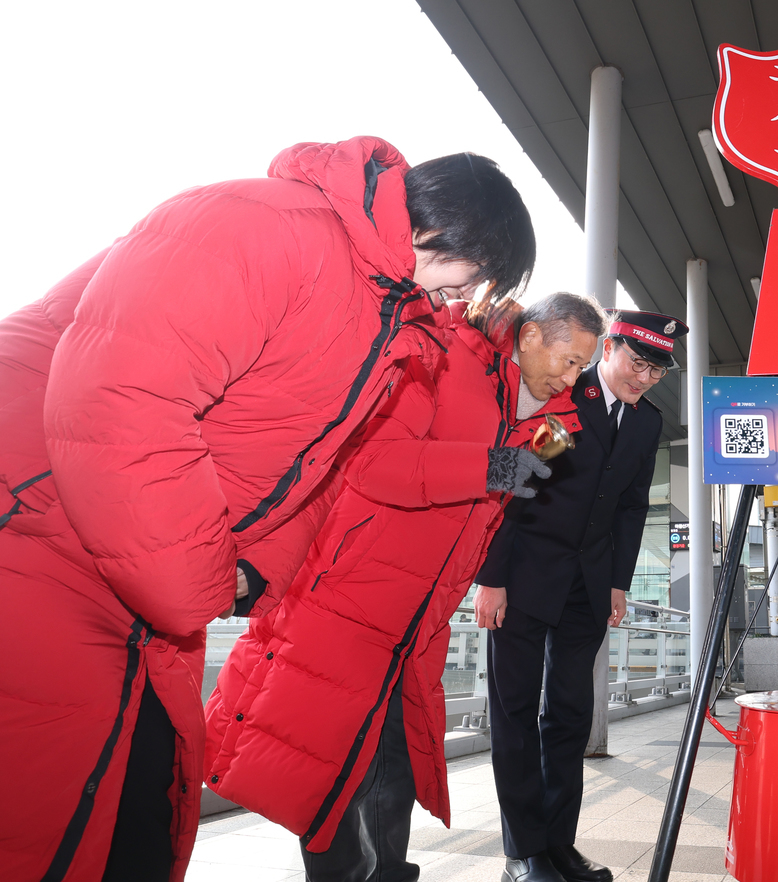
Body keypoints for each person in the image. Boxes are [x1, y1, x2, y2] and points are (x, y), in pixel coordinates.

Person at [0, 137, 535, 881]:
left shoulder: (392, 322)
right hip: (39, 532)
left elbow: (317, 469)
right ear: (443, 234)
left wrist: (252, 567)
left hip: (140, 584)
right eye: (465, 280)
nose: (459, 302)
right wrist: (198, 579)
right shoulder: (269, 227)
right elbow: (122, 394)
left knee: (139, 815)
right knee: (51, 817)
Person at [203, 293, 604, 879]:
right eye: (567, 360)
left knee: (393, 766)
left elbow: (498, 512)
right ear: (531, 336)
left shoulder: (559, 422)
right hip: (350, 593)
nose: (571, 377)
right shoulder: (446, 358)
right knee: (329, 766)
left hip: (419, 618)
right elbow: (376, 464)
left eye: (581, 367)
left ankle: (389, 872)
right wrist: (491, 467)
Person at [475, 310, 687, 882]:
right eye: (637, 363)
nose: (644, 379)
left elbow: (631, 506)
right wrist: (490, 577)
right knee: (515, 711)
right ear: (609, 347)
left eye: (657, 372)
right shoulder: (567, 399)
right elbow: (511, 482)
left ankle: (559, 846)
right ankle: (523, 851)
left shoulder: (647, 425)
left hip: (587, 586)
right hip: (522, 578)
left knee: (569, 714)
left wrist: (618, 579)